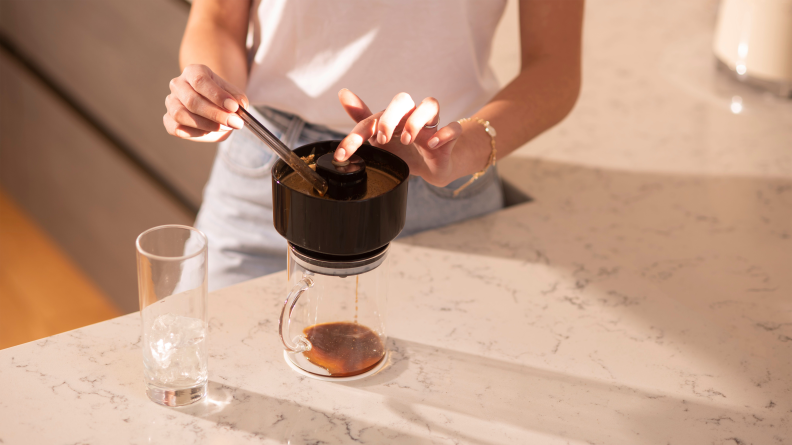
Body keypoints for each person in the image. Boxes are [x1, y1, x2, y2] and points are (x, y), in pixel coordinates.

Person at [164, 0, 584, 290]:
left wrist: (463, 149)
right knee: (207, 380)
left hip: (445, 186)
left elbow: (555, 68)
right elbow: (219, 18)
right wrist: (213, 95)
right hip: (270, 170)